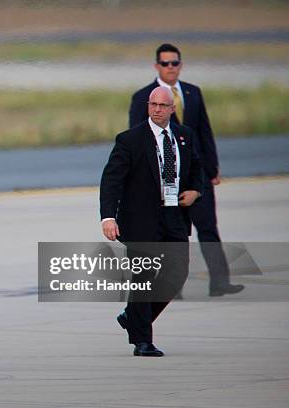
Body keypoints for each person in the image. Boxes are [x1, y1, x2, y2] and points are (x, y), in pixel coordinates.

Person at [129, 43, 243, 297]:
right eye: (166, 63)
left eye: (175, 63)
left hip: (197, 176)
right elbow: (137, 141)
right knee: (171, 233)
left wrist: (211, 169)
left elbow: (205, 132)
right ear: (156, 66)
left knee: (208, 228)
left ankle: (220, 282)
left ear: (181, 65)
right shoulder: (143, 97)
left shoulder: (193, 93)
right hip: (166, 178)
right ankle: (172, 285)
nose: (171, 68)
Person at [100, 87, 202, 356]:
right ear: (148, 106)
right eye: (152, 104)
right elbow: (111, 181)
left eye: (162, 105)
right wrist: (108, 217)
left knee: (176, 274)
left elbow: (195, 168)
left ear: (172, 109)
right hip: (140, 220)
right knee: (143, 279)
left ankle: (132, 317)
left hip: (173, 216)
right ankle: (142, 341)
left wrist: (195, 190)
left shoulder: (184, 136)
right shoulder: (129, 140)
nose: (157, 109)